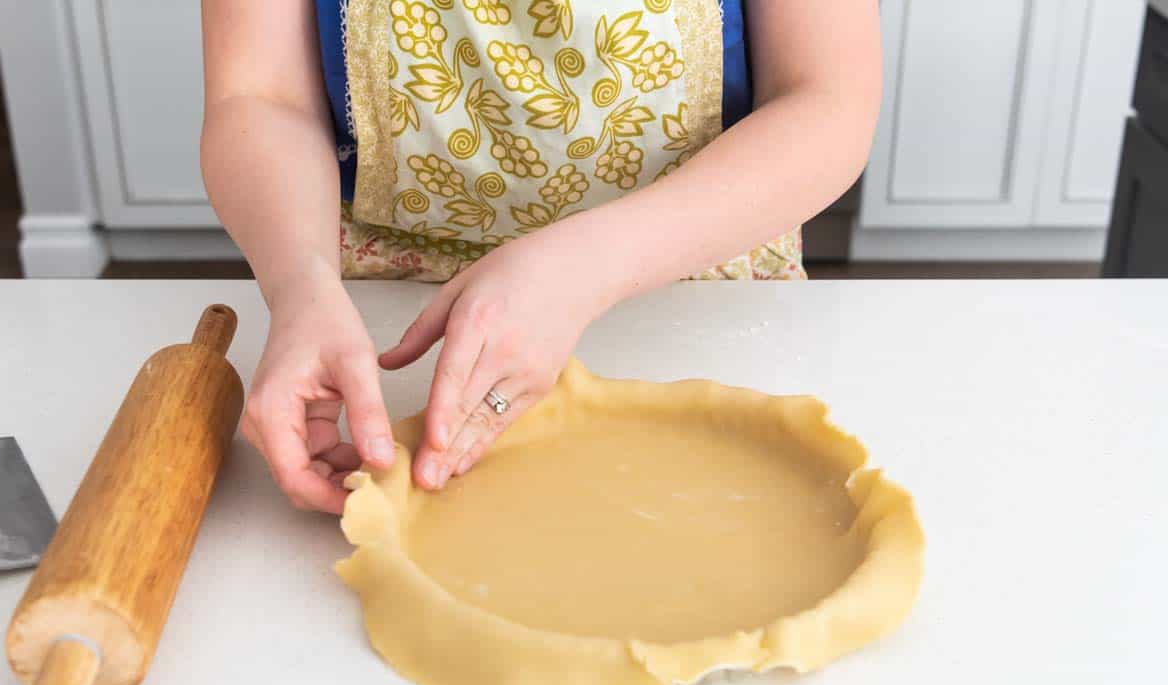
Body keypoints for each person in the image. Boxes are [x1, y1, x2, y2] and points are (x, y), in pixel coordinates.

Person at [200, 0, 881, 513]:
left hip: (696, 275)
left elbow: (826, 99)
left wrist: (588, 264)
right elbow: (260, 95)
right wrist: (300, 284)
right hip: (385, 310)